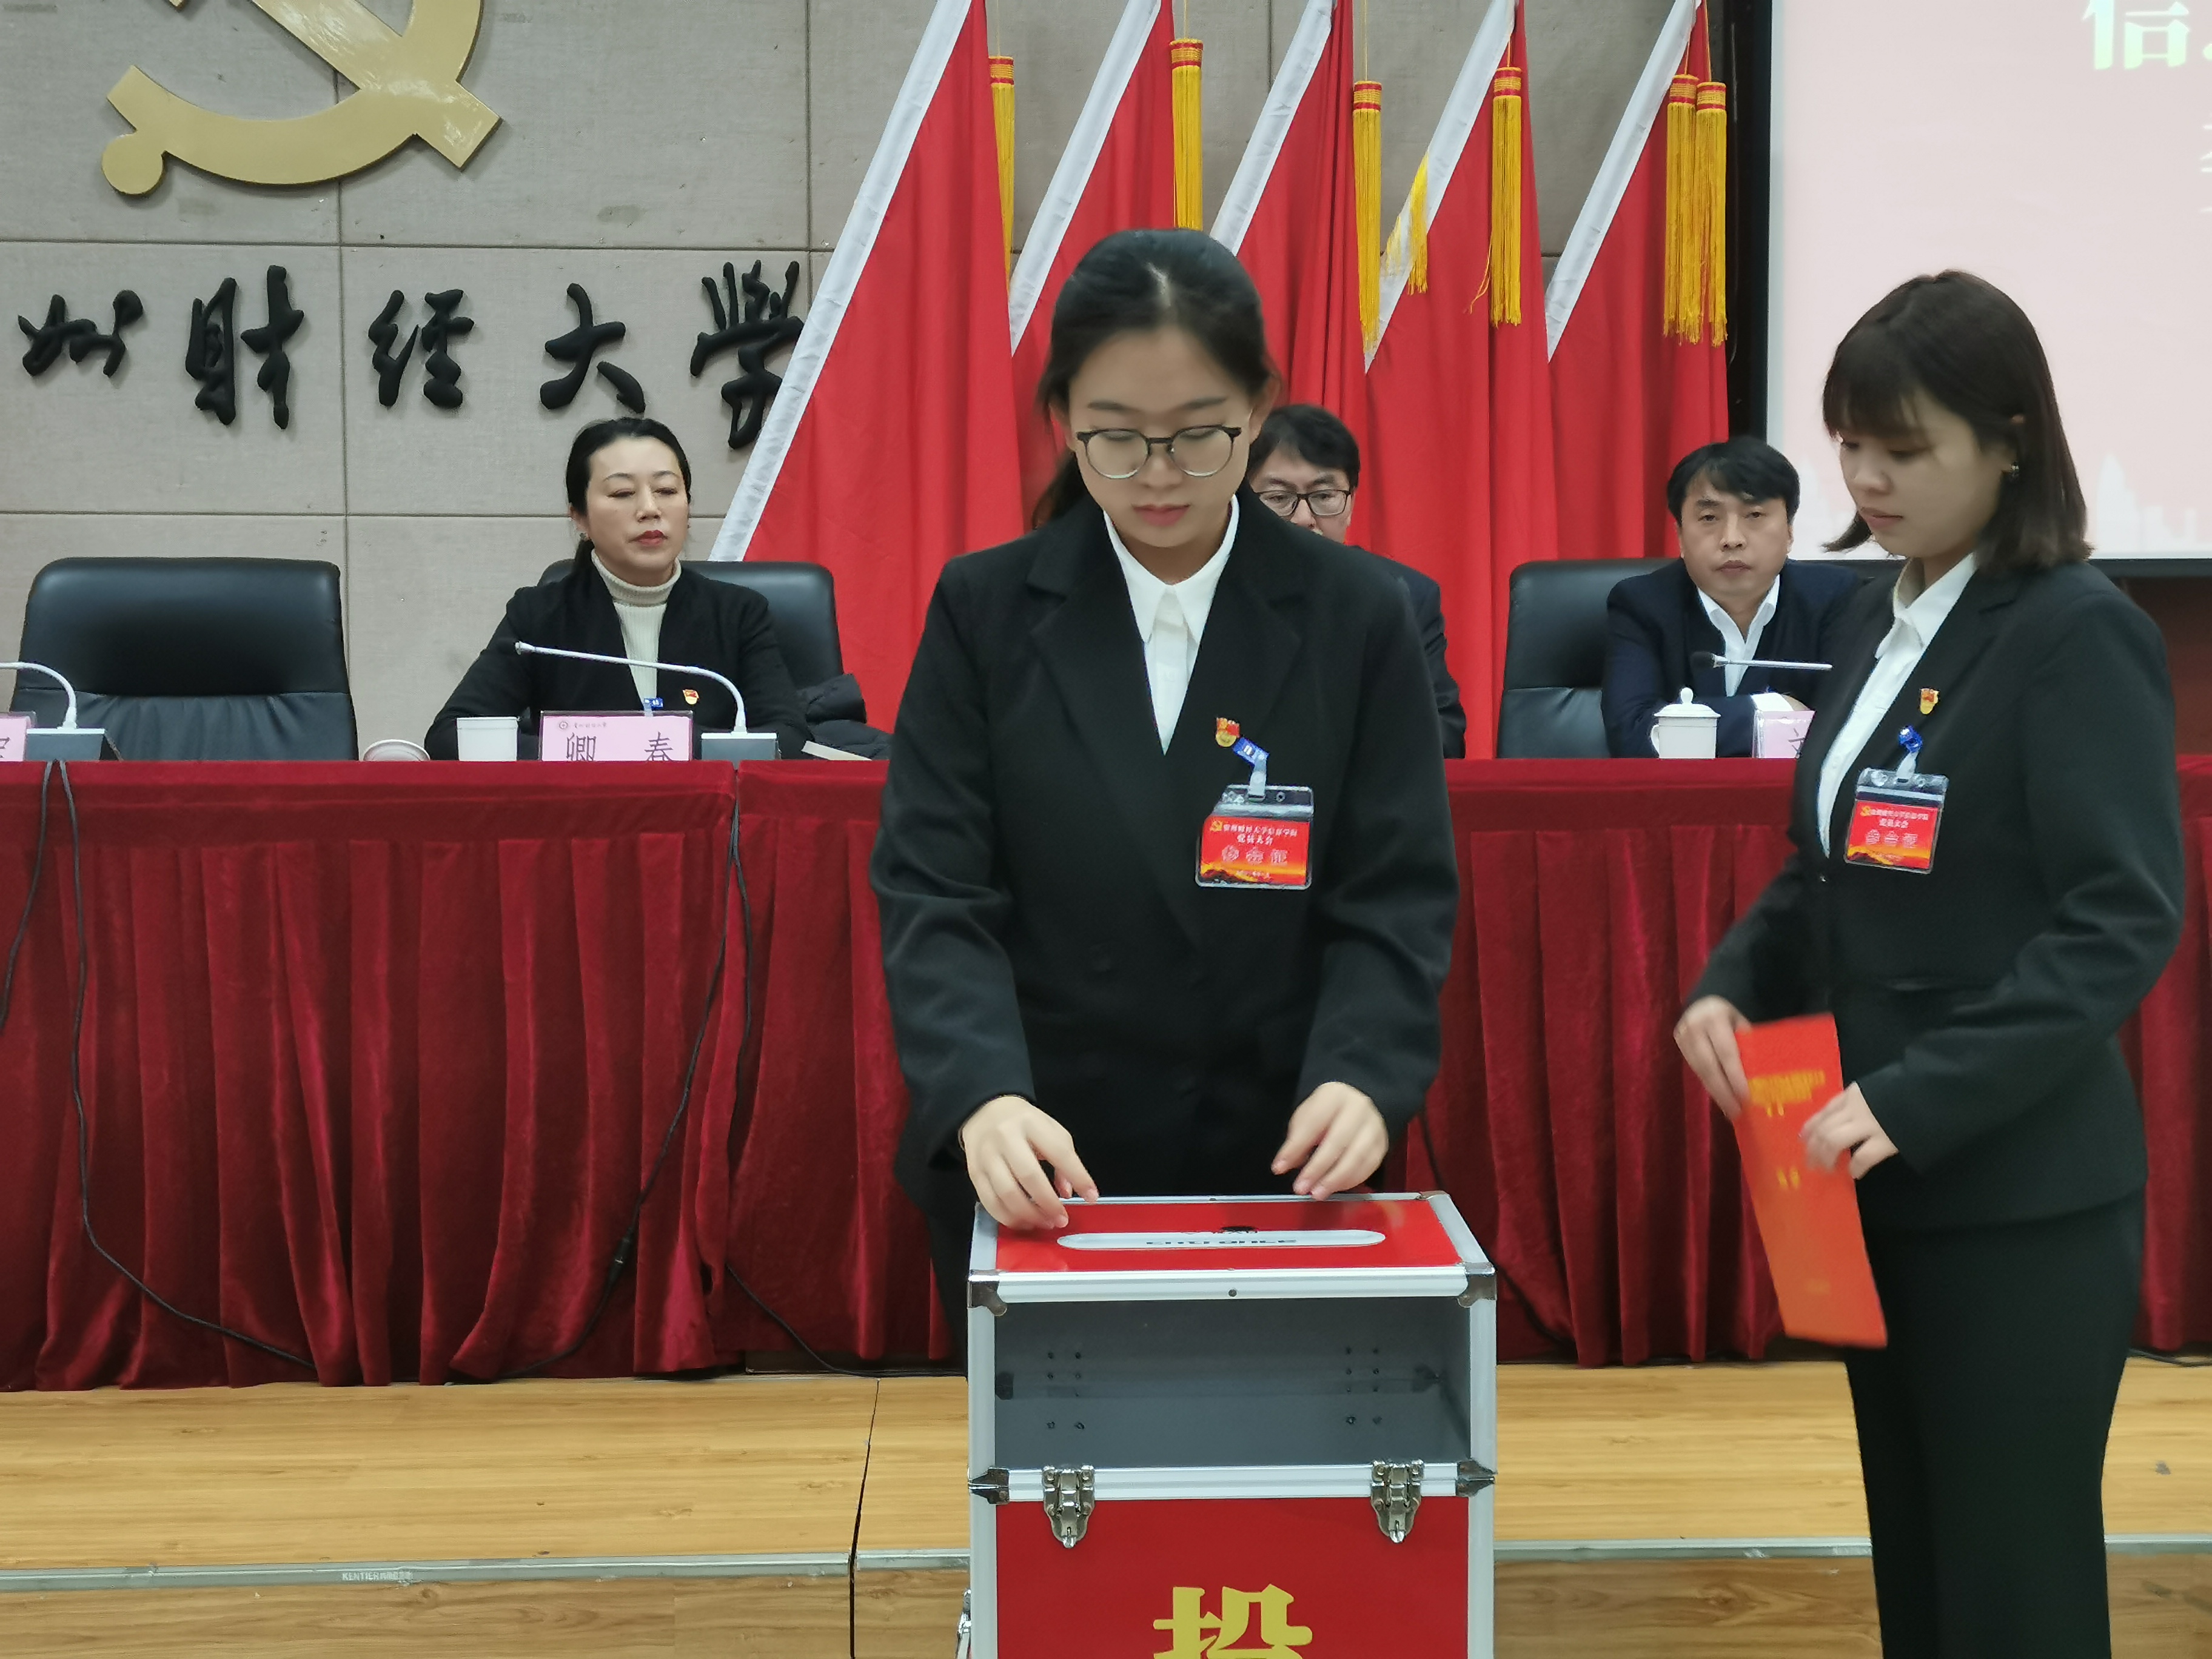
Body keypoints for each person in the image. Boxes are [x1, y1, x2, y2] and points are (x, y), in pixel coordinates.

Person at [1674, 272, 2183, 1658]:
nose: (1866, 479)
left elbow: (2121, 916)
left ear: (2010, 441)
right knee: (1919, 1553)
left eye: (1904, 448)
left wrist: (1920, 1094)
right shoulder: (1876, 618)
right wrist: (1731, 982)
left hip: (2013, 1195)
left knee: (2011, 1580)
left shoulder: (2075, 631)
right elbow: (1825, 866)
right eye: (1850, 443)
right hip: (1864, 1175)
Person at [871, 229, 1459, 1331]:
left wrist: (1365, 1074)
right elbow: (934, 889)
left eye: (1197, 436)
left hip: (1282, 1158)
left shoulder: (1357, 614)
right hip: (1046, 1156)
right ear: (1061, 416)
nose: (1155, 476)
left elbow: (1395, 891)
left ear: (1258, 408)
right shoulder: (986, 611)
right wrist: (981, 1092)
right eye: (1114, 437)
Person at [426, 417, 808, 759]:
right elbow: (450, 736)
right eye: (623, 494)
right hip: (584, 812)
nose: (650, 509)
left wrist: (655, 745)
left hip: (706, 811)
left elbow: (789, 738)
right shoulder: (540, 616)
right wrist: (595, 749)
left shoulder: (737, 613)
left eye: (667, 490)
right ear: (580, 517)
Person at [1602, 437, 1861, 757]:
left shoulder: (1838, 598)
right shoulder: (1642, 604)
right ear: (1680, 536)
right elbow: (1631, 735)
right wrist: (1774, 712)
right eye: (1710, 518)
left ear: (1790, 531)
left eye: (1755, 515)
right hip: (1682, 789)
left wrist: (1688, 728)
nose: (1732, 539)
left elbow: (1850, 729)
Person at [1247, 404, 1469, 757]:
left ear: (1350, 503)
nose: (1303, 518)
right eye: (1278, 498)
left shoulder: (1404, 597)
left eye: (1324, 497)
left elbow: (1444, 739)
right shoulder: (1211, 593)